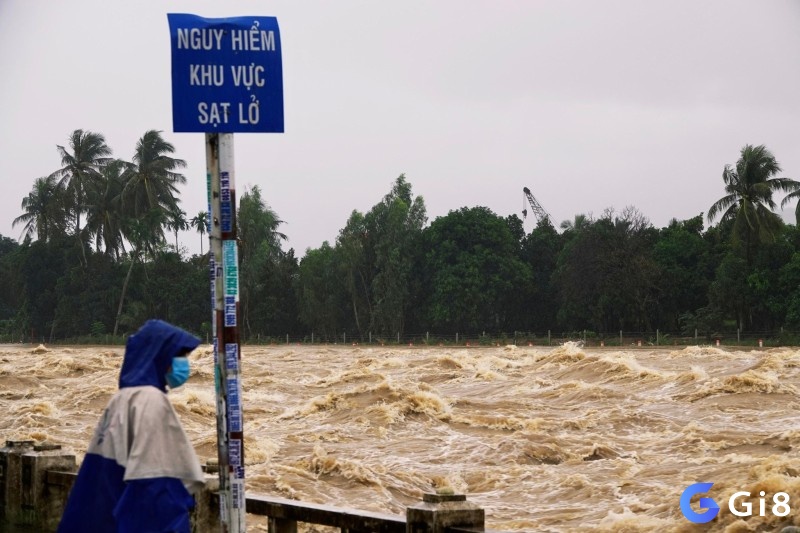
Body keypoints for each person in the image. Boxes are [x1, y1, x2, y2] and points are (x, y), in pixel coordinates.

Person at [58, 319, 206, 533]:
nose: (185, 363)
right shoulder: (150, 401)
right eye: (180, 356)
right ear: (161, 356)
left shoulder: (121, 399)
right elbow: (155, 487)